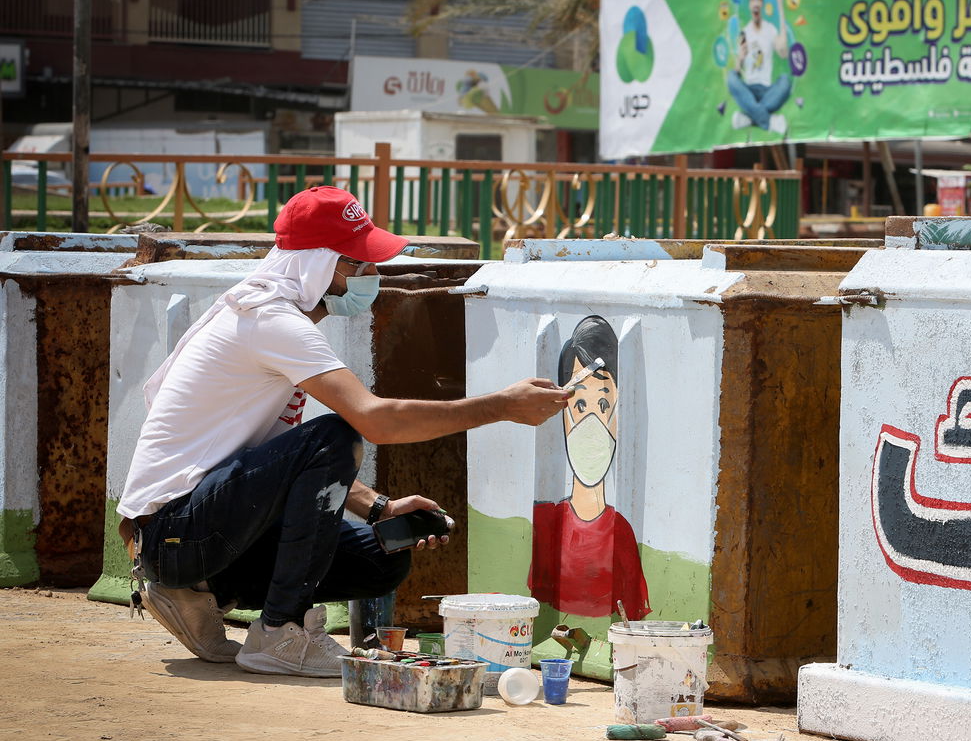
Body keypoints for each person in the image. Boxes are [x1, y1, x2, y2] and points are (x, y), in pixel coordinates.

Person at [117, 185, 569, 677]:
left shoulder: (274, 316)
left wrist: (379, 508)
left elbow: (277, 461)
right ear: (318, 265)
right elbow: (374, 420)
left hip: (194, 532)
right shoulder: (270, 320)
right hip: (173, 535)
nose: (372, 275)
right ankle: (280, 632)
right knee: (334, 434)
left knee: (381, 557)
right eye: (359, 263)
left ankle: (203, 591)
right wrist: (501, 406)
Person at [528, 316, 649, 621]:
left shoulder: (621, 534)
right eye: (580, 405)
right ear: (564, 413)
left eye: (604, 406)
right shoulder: (545, 522)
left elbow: (634, 622)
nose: (592, 423)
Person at [727, 0, 791, 135]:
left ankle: (749, 118)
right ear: (749, 4)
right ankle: (769, 122)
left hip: (768, 91)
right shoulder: (744, 32)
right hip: (749, 90)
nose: (755, 3)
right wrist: (740, 59)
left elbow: (783, 52)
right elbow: (737, 70)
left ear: (762, 3)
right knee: (730, 78)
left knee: (785, 81)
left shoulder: (770, 29)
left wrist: (780, 8)